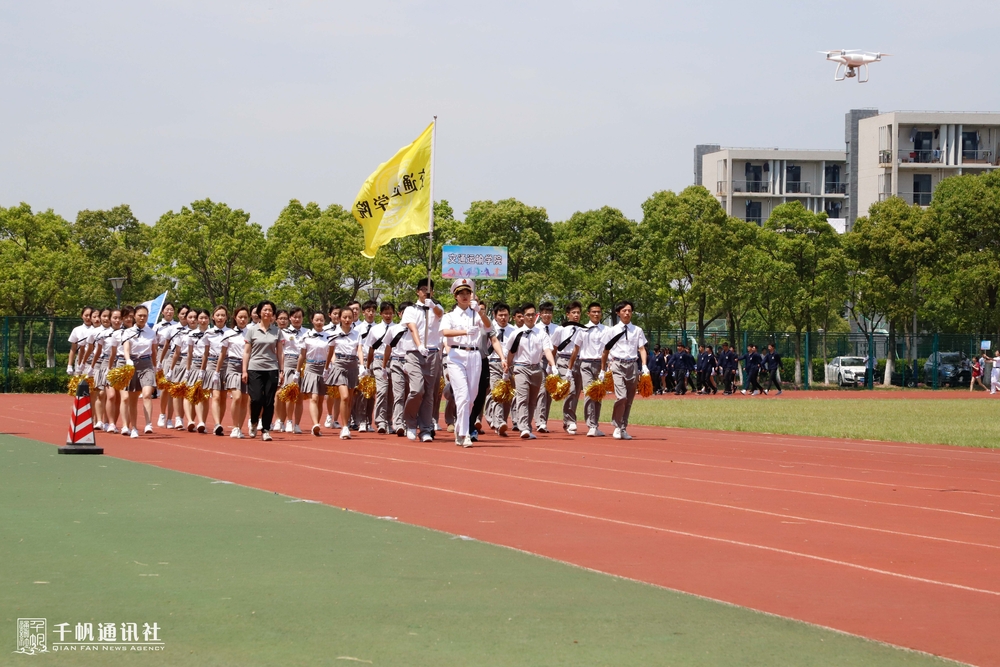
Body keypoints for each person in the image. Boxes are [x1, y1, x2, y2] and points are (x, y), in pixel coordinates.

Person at [440, 279, 506, 447]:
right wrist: (464, 331)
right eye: (461, 293)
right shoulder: (450, 316)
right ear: (455, 296)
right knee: (462, 396)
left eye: (467, 293)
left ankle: (460, 429)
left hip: (475, 355)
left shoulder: (476, 314)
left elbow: (489, 327)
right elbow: (445, 332)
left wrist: (480, 312)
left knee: (471, 398)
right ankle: (464, 434)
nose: (465, 296)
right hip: (457, 355)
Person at [399, 279, 444, 442]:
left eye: (429, 289)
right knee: (417, 390)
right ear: (418, 291)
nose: (426, 292)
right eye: (424, 289)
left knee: (429, 393)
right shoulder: (410, 309)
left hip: (432, 353)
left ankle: (425, 428)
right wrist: (419, 345)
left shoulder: (437, 308)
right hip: (414, 353)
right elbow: (412, 328)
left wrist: (432, 306)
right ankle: (410, 422)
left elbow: (440, 314)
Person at [505, 303, 557, 440]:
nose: (530, 317)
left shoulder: (541, 334)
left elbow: (547, 350)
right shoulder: (516, 333)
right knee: (522, 398)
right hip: (521, 368)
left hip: (536, 369)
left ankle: (527, 426)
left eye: (533, 315)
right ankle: (523, 427)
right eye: (528, 315)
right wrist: (506, 369)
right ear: (523, 316)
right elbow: (511, 352)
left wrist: (553, 365)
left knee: (533, 400)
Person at [599, 301, 648, 440]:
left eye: (629, 311)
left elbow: (642, 349)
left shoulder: (637, 330)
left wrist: (644, 366)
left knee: (629, 400)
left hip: (632, 365)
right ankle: (616, 425)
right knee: (621, 397)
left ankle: (623, 428)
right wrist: (602, 369)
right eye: (624, 310)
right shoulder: (611, 331)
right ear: (618, 313)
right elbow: (605, 351)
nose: (627, 313)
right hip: (617, 364)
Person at [242, 301, 284, 441]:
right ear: (259, 312)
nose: (267, 312)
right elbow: (246, 352)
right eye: (265, 310)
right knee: (256, 399)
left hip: (271, 369)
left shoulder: (277, 331)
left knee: (269, 401)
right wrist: (244, 371)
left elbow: (280, 353)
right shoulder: (252, 330)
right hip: (254, 368)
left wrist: (281, 370)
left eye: (270, 310)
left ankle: (265, 429)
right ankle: (254, 421)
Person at [568, 302, 607, 437]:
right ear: (588, 314)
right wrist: (569, 368)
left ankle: (595, 424)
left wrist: (605, 369)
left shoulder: (606, 330)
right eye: (594, 312)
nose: (596, 314)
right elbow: (575, 350)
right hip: (585, 364)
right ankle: (591, 425)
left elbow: (608, 350)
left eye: (598, 312)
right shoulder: (582, 330)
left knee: (598, 395)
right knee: (589, 393)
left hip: (600, 365)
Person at [122, 304, 159, 439]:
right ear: (134, 316)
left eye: (145, 316)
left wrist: (155, 367)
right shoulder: (127, 332)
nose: (142, 318)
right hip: (132, 364)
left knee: (147, 394)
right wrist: (128, 360)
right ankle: (134, 428)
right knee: (132, 398)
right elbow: (126, 349)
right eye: (140, 315)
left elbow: (153, 351)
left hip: (146, 364)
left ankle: (148, 424)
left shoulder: (151, 332)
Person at [326, 306, 363, 440]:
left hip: (352, 365)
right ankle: (345, 427)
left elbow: (359, 350)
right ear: (340, 318)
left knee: (350, 399)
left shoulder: (357, 334)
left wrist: (362, 365)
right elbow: (330, 352)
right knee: (345, 397)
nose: (347, 320)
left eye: (350, 317)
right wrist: (327, 367)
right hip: (339, 365)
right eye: (344, 317)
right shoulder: (333, 333)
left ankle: (346, 424)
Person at [550, 301, 586, 433]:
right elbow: (554, 348)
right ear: (568, 314)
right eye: (573, 312)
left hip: (579, 362)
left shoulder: (584, 329)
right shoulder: (560, 329)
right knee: (570, 390)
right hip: (563, 361)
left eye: (578, 313)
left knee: (576, 393)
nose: (576, 315)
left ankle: (567, 421)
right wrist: (551, 366)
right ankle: (570, 420)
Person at [299, 311, 334, 436]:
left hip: (324, 368)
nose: (319, 322)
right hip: (311, 367)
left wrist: (330, 367)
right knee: (313, 398)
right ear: (312, 321)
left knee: (320, 399)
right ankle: (315, 424)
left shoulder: (329, 337)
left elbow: (331, 353)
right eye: (317, 320)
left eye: (321, 320)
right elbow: (302, 355)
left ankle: (317, 424)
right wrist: (297, 371)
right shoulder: (306, 336)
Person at [364, 301, 397, 434]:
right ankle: (380, 421)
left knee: (391, 393)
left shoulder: (398, 329)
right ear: (381, 314)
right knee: (382, 391)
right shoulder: (375, 329)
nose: (388, 316)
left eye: (390, 313)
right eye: (385, 313)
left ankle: (389, 421)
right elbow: (371, 349)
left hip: (393, 362)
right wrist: (368, 367)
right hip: (378, 361)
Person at [382, 301, 413, 436]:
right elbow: (388, 348)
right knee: (399, 394)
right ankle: (399, 422)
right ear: (399, 314)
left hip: (411, 363)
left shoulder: (415, 329)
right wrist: (384, 366)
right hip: (396, 363)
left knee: (411, 394)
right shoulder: (393, 329)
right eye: (404, 313)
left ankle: (408, 421)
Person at [484, 302, 515, 436]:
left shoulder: (514, 330)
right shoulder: (488, 328)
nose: (503, 318)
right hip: (493, 363)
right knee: (497, 392)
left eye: (506, 315)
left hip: (509, 365)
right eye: (500, 315)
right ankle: (498, 422)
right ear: (495, 315)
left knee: (508, 395)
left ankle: (502, 421)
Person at [202, 306, 232, 435]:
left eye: (223, 315)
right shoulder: (208, 333)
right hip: (212, 363)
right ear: (213, 317)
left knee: (223, 396)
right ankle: (217, 423)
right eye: (218, 315)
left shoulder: (231, 332)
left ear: (226, 317)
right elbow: (205, 352)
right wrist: (202, 370)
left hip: (226, 364)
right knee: (216, 395)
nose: (220, 317)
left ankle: (219, 422)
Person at [277, 307, 306, 434]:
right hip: (289, 361)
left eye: (299, 317)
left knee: (299, 396)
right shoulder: (284, 332)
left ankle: (297, 424)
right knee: (289, 393)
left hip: (303, 363)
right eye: (294, 317)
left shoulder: (307, 332)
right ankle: (288, 421)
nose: (297, 319)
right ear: (290, 318)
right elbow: (281, 352)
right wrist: (281, 369)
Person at [223, 306, 251, 438]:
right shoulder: (228, 333)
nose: (242, 320)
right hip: (232, 366)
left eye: (245, 317)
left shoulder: (251, 333)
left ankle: (239, 427)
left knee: (245, 399)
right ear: (235, 318)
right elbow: (223, 353)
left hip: (248, 367)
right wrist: (218, 371)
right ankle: (234, 427)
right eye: (240, 317)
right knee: (237, 397)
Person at [352, 300, 378, 432]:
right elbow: (357, 347)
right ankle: (359, 420)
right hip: (361, 361)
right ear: (364, 312)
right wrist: (361, 364)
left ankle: (368, 421)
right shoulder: (357, 329)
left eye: (373, 311)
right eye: (368, 311)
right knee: (360, 393)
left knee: (371, 393)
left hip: (374, 361)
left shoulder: (378, 328)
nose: (371, 313)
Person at [533, 301, 557, 433]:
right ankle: (540, 421)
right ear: (540, 314)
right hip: (540, 361)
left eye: (549, 312)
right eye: (544, 312)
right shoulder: (536, 329)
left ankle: (543, 420)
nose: (547, 315)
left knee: (549, 393)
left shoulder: (557, 329)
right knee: (541, 391)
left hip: (554, 361)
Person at [66, 306, 94, 375]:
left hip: (94, 359)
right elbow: (73, 348)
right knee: (79, 380)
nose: (88, 318)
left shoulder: (98, 329)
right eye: (86, 315)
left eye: (90, 316)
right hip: (80, 359)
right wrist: (69, 365)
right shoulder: (77, 330)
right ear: (82, 316)